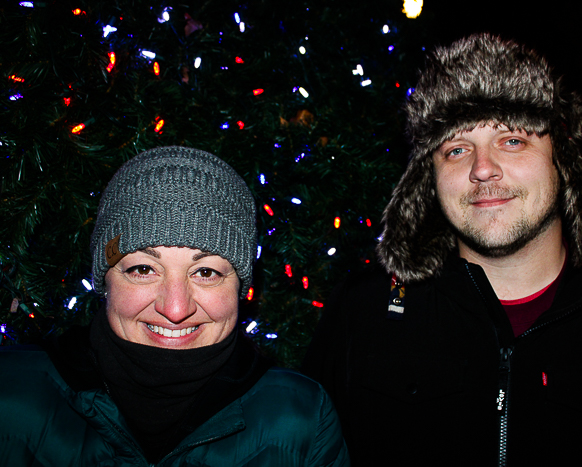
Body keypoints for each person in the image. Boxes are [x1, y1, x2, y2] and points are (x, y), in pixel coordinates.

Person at [302, 34, 582, 466]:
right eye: (456, 148)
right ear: (426, 182)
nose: (482, 168)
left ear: (562, 161)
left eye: (512, 140)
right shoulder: (363, 316)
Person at [0, 146, 349, 466]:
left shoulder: (303, 418)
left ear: (242, 287)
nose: (176, 308)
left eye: (206, 272)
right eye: (143, 269)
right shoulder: (10, 392)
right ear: (104, 279)